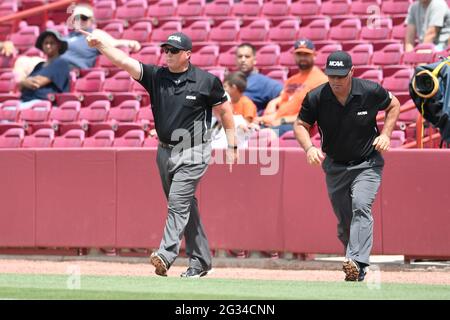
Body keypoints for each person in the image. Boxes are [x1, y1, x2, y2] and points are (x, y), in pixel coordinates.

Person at [81, 30, 237, 278]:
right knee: (185, 206)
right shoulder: (156, 76)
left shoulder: (206, 81)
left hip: (194, 151)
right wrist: (101, 45)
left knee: (177, 203)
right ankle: (201, 261)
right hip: (164, 151)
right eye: (166, 49)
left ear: (187, 54)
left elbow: (225, 112)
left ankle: (165, 255)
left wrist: (232, 145)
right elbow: (124, 61)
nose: (168, 54)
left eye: (174, 51)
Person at [293, 51, 400, 282]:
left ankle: (357, 262)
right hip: (335, 166)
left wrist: (387, 134)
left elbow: (394, 105)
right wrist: (309, 148)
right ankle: (353, 260)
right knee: (345, 223)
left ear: (352, 72)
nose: (335, 81)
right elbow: (301, 124)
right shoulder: (316, 97)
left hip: (367, 163)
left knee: (361, 205)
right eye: (331, 75)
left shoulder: (369, 91)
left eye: (341, 76)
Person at [255, 39, 328, 137]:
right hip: (278, 123)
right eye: (299, 54)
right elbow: (284, 103)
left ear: (314, 55)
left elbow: (314, 114)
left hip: (298, 125)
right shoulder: (291, 80)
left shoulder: (321, 80)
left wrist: (282, 120)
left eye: (306, 54)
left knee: (262, 136)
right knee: (242, 132)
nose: (302, 57)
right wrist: (269, 111)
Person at [63, 4, 141, 69]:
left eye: (84, 18)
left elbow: (113, 43)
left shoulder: (94, 33)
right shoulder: (67, 36)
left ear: (91, 20)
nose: (80, 21)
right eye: (77, 18)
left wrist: (131, 43)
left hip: (72, 69)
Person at [19, 30, 70, 109]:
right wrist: (23, 82)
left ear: (59, 45)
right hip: (25, 102)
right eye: (45, 43)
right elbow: (20, 85)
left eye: (52, 43)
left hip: (43, 103)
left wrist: (23, 82)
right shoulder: (39, 65)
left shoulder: (61, 62)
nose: (48, 46)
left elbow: (37, 83)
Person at [236, 43, 283, 114]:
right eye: (240, 56)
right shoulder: (231, 79)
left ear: (254, 60)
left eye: (247, 56)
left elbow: (286, 94)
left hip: (248, 121)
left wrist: (273, 103)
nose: (243, 60)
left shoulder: (262, 82)